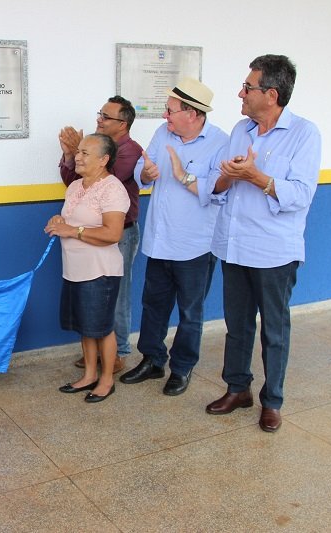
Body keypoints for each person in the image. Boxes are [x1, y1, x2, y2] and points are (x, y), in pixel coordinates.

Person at [205, 55, 321, 432]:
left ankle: (272, 401)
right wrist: (228, 176)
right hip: (234, 245)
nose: (241, 94)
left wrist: (256, 176)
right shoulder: (241, 130)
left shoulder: (304, 134)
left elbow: (300, 194)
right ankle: (237, 388)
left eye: (247, 87)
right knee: (237, 326)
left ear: (271, 94)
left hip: (274, 251)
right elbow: (219, 184)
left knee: (274, 330)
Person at [120, 78, 228, 396]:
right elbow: (144, 167)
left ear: (192, 114)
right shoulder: (162, 133)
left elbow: (216, 189)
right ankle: (152, 360)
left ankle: (181, 368)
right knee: (153, 305)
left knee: (190, 312)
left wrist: (183, 175)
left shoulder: (221, 143)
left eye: (170, 110)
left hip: (196, 245)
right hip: (159, 238)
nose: (164, 116)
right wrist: (145, 173)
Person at [59, 96, 143, 373]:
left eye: (106, 117)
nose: (99, 119)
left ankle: (117, 353)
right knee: (89, 304)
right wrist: (71, 156)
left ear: (123, 123)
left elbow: (105, 177)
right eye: (100, 114)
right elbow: (75, 181)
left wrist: (79, 152)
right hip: (86, 240)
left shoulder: (130, 151)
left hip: (120, 233)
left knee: (115, 298)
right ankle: (95, 357)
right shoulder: (94, 150)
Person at [46, 133, 130, 403]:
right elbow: (72, 219)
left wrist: (72, 230)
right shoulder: (75, 186)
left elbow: (113, 233)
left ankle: (106, 380)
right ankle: (89, 375)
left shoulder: (113, 189)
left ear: (104, 160)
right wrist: (59, 221)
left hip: (100, 271)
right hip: (74, 268)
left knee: (102, 327)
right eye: (78, 151)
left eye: (84, 153)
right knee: (86, 325)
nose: (78, 157)